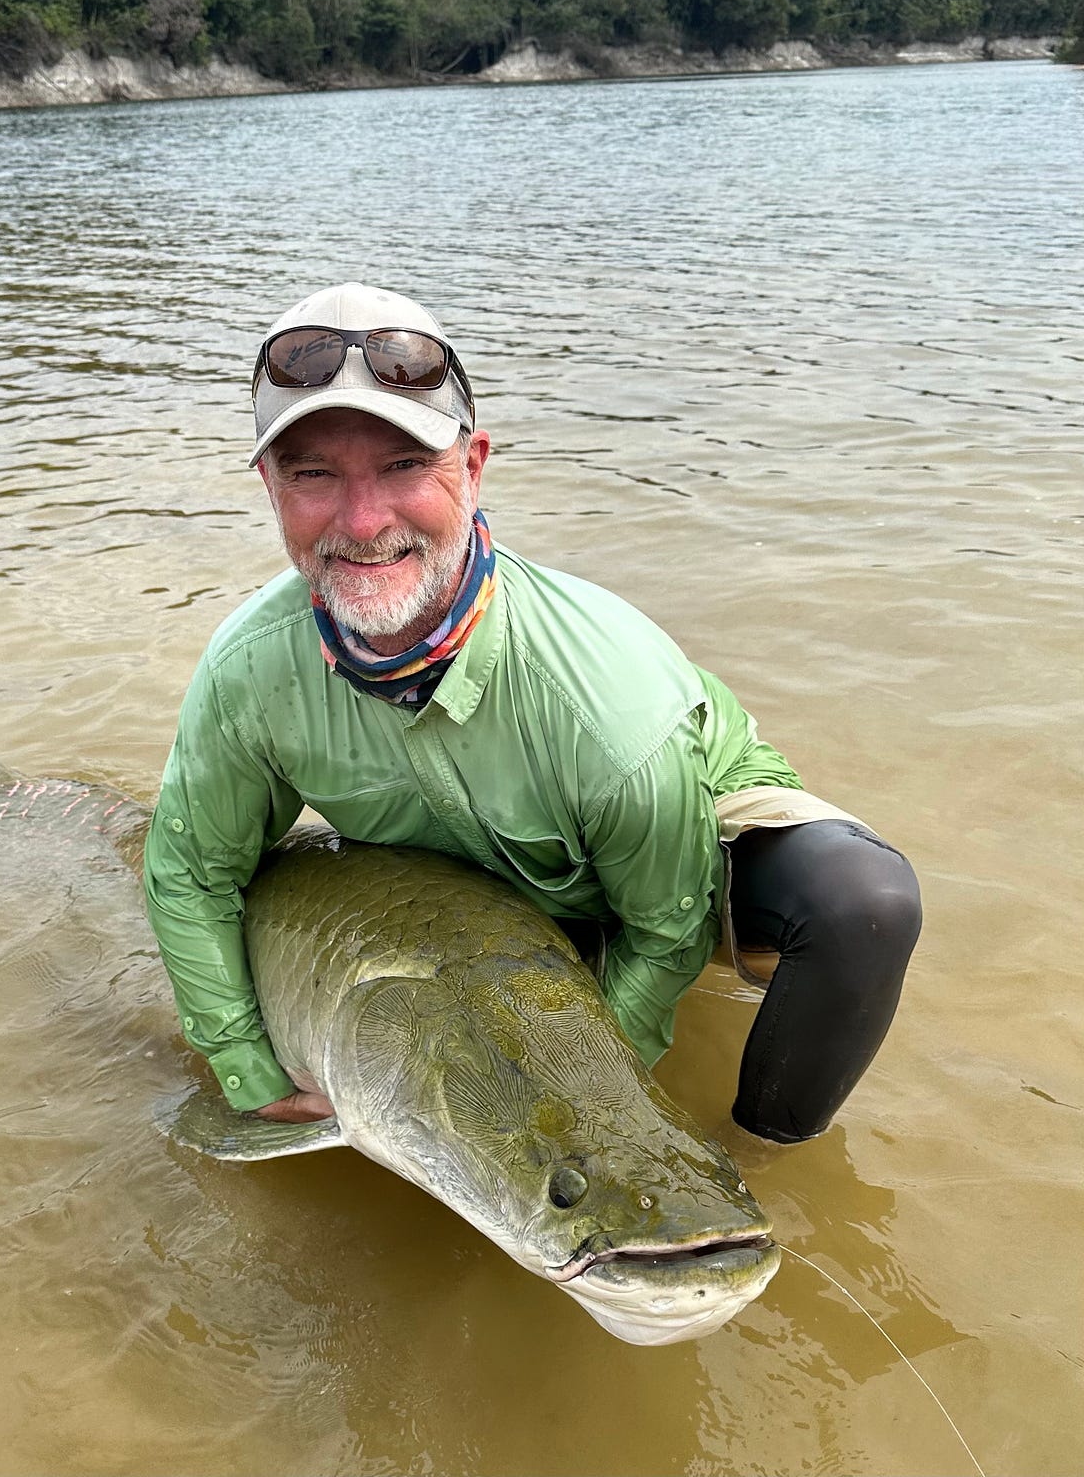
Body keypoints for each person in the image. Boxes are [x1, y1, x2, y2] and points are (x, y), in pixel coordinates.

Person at [144, 283, 922, 1142]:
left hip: (678, 843)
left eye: (406, 466)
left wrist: (574, 1118)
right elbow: (190, 874)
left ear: (473, 467)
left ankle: (760, 1152)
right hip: (484, 867)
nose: (363, 522)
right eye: (313, 474)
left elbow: (663, 935)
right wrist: (245, 1066)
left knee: (863, 905)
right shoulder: (246, 669)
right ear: (269, 487)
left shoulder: (607, 707)